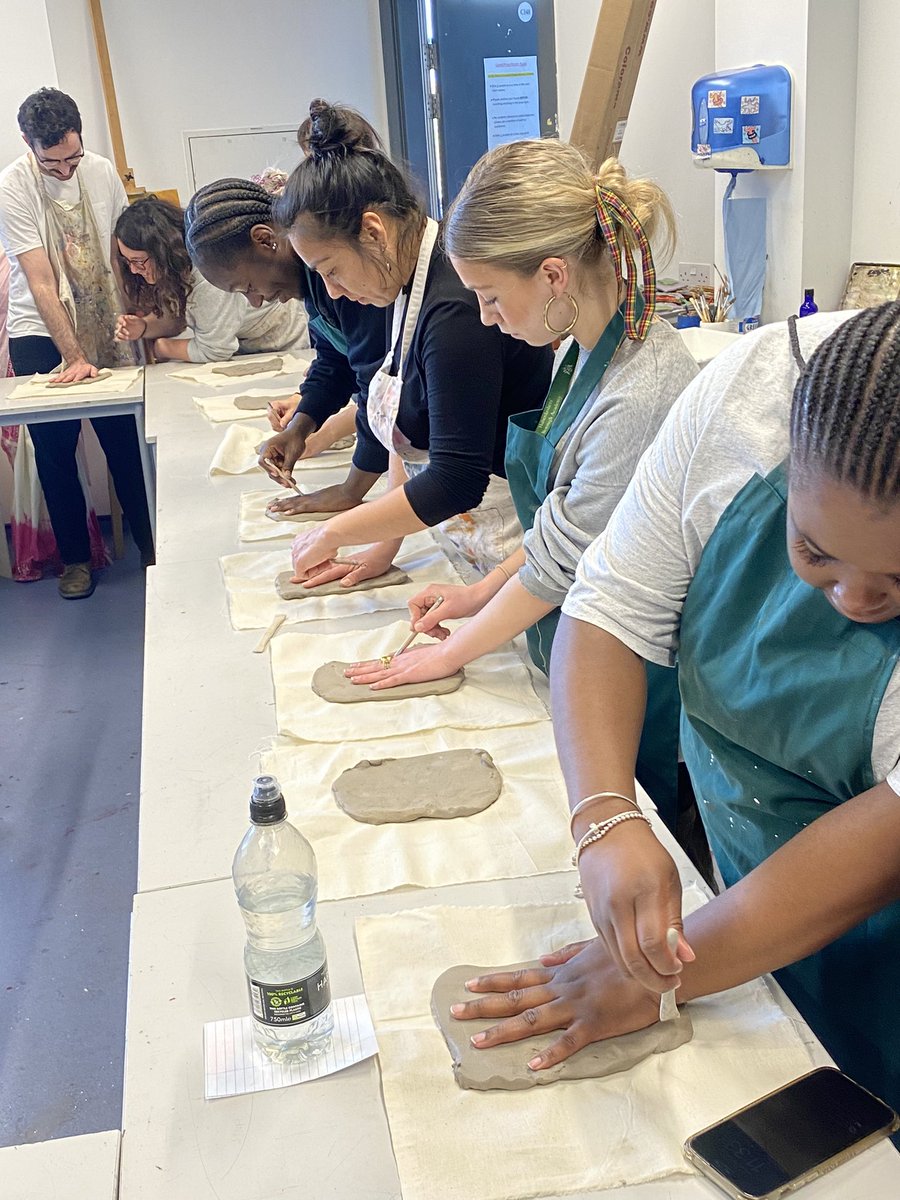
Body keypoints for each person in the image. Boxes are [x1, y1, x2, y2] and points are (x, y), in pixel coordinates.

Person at [444, 303, 900, 1120]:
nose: (855, 600)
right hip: (749, 887)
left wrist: (662, 973)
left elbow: (884, 842)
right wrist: (605, 815)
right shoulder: (744, 400)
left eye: (898, 582)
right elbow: (608, 603)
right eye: (814, 552)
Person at [344, 141, 698, 828]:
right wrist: (477, 594)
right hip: (580, 640)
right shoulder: (583, 353)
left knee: (641, 836)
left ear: (553, 276)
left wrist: (448, 653)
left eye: (490, 296)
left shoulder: (641, 390)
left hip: (638, 676)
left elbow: (563, 565)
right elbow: (562, 522)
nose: (485, 317)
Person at [272, 98, 553, 584]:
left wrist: (334, 532)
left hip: (516, 546)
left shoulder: (454, 309)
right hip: (468, 542)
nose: (333, 292)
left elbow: (455, 479)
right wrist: (381, 547)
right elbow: (407, 445)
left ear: (373, 231)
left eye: (332, 270)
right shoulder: (405, 283)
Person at [0, 87, 153, 598]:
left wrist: (136, 322)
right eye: (53, 163)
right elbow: (41, 282)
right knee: (55, 449)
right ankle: (75, 560)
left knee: (125, 442)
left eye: (73, 158)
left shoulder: (102, 170)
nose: (66, 170)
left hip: (103, 316)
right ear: (29, 144)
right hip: (39, 333)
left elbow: (121, 253)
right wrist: (74, 357)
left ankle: (155, 550)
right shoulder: (13, 186)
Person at [184, 170, 386, 491]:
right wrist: (299, 428)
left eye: (249, 286)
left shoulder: (340, 281)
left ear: (265, 240)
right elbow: (334, 364)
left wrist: (349, 491)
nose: (255, 301)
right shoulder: (310, 284)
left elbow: (380, 399)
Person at [114, 196, 308, 363]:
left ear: (163, 253)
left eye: (139, 261)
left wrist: (161, 348)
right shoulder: (173, 272)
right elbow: (176, 319)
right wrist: (144, 327)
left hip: (286, 347)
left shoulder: (207, 275)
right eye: (128, 262)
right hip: (250, 348)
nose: (133, 270)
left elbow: (215, 350)